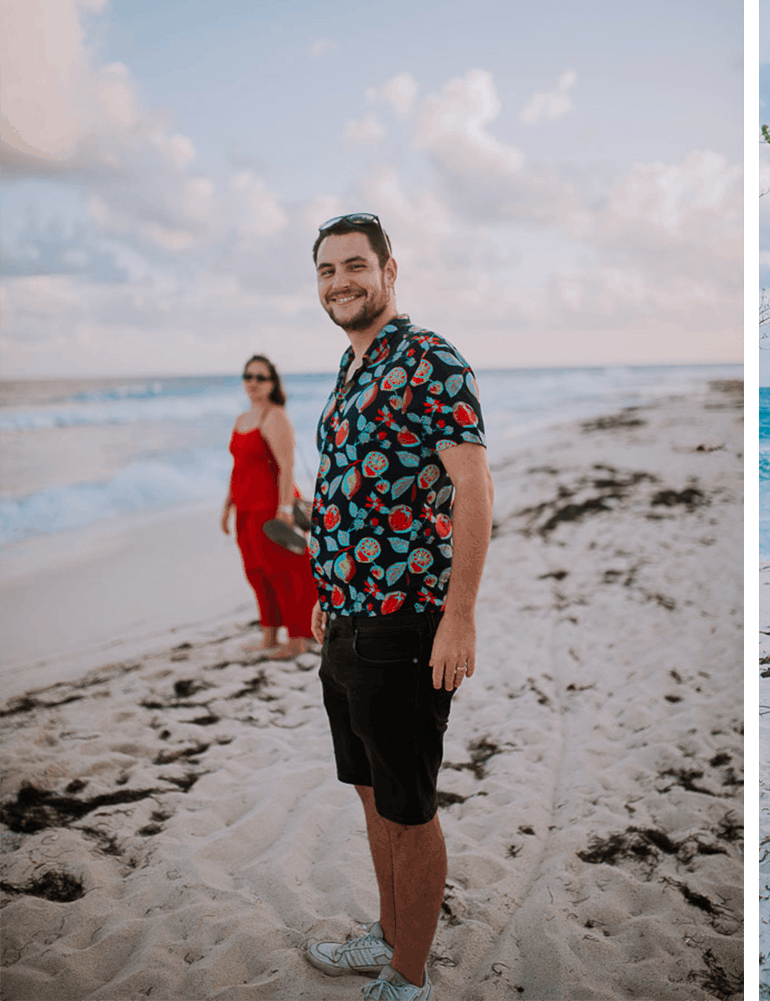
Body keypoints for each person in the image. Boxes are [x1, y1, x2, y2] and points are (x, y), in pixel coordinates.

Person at [300, 213, 493, 1001]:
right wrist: (326, 588)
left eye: (354, 266)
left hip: (408, 623)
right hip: (346, 620)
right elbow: (348, 489)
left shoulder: (430, 361)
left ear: (389, 271)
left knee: (410, 807)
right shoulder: (353, 366)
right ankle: (386, 936)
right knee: (373, 792)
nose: (340, 281)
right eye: (325, 271)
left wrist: (460, 613)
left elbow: (474, 487)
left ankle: (409, 978)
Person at [222, 354, 318, 659]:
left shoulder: (275, 417)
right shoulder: (242, 419)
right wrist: (227, 507)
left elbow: (287, 468)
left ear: (273, 383)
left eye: (261, 377)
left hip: (271, 509)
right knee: (256, 573)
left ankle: (298, 640)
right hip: (245, 509)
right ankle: (269, 638)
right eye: (248, 376)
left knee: (285, 574)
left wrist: (286, 510)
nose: (253, 383)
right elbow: (238, 468)